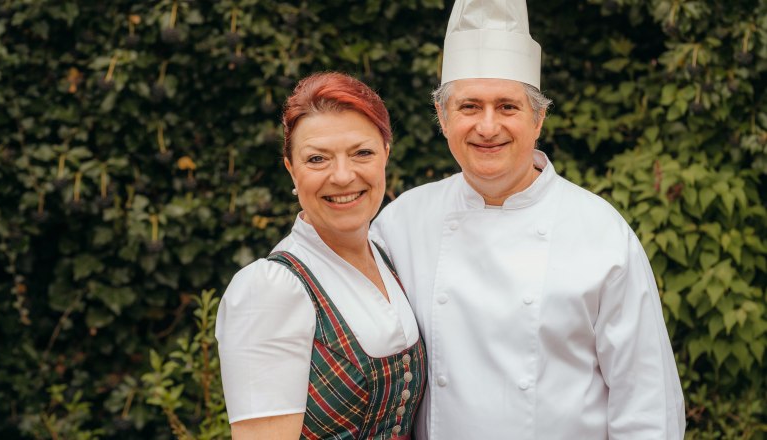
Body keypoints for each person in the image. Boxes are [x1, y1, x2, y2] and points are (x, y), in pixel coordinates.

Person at [371, 1, 686, 439]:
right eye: (468, 107)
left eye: (507, 107)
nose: (487, 126)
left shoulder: (600, 231)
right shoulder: (401, 223)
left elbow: (647, 401)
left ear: (538, 119)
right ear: (443, 118)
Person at [216, 72, 426, 440]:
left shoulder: (389, 256)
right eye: (317, 159)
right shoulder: (269, 290)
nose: (343, 176)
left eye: (362, 153)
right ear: (290, 170)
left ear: (386, 156)